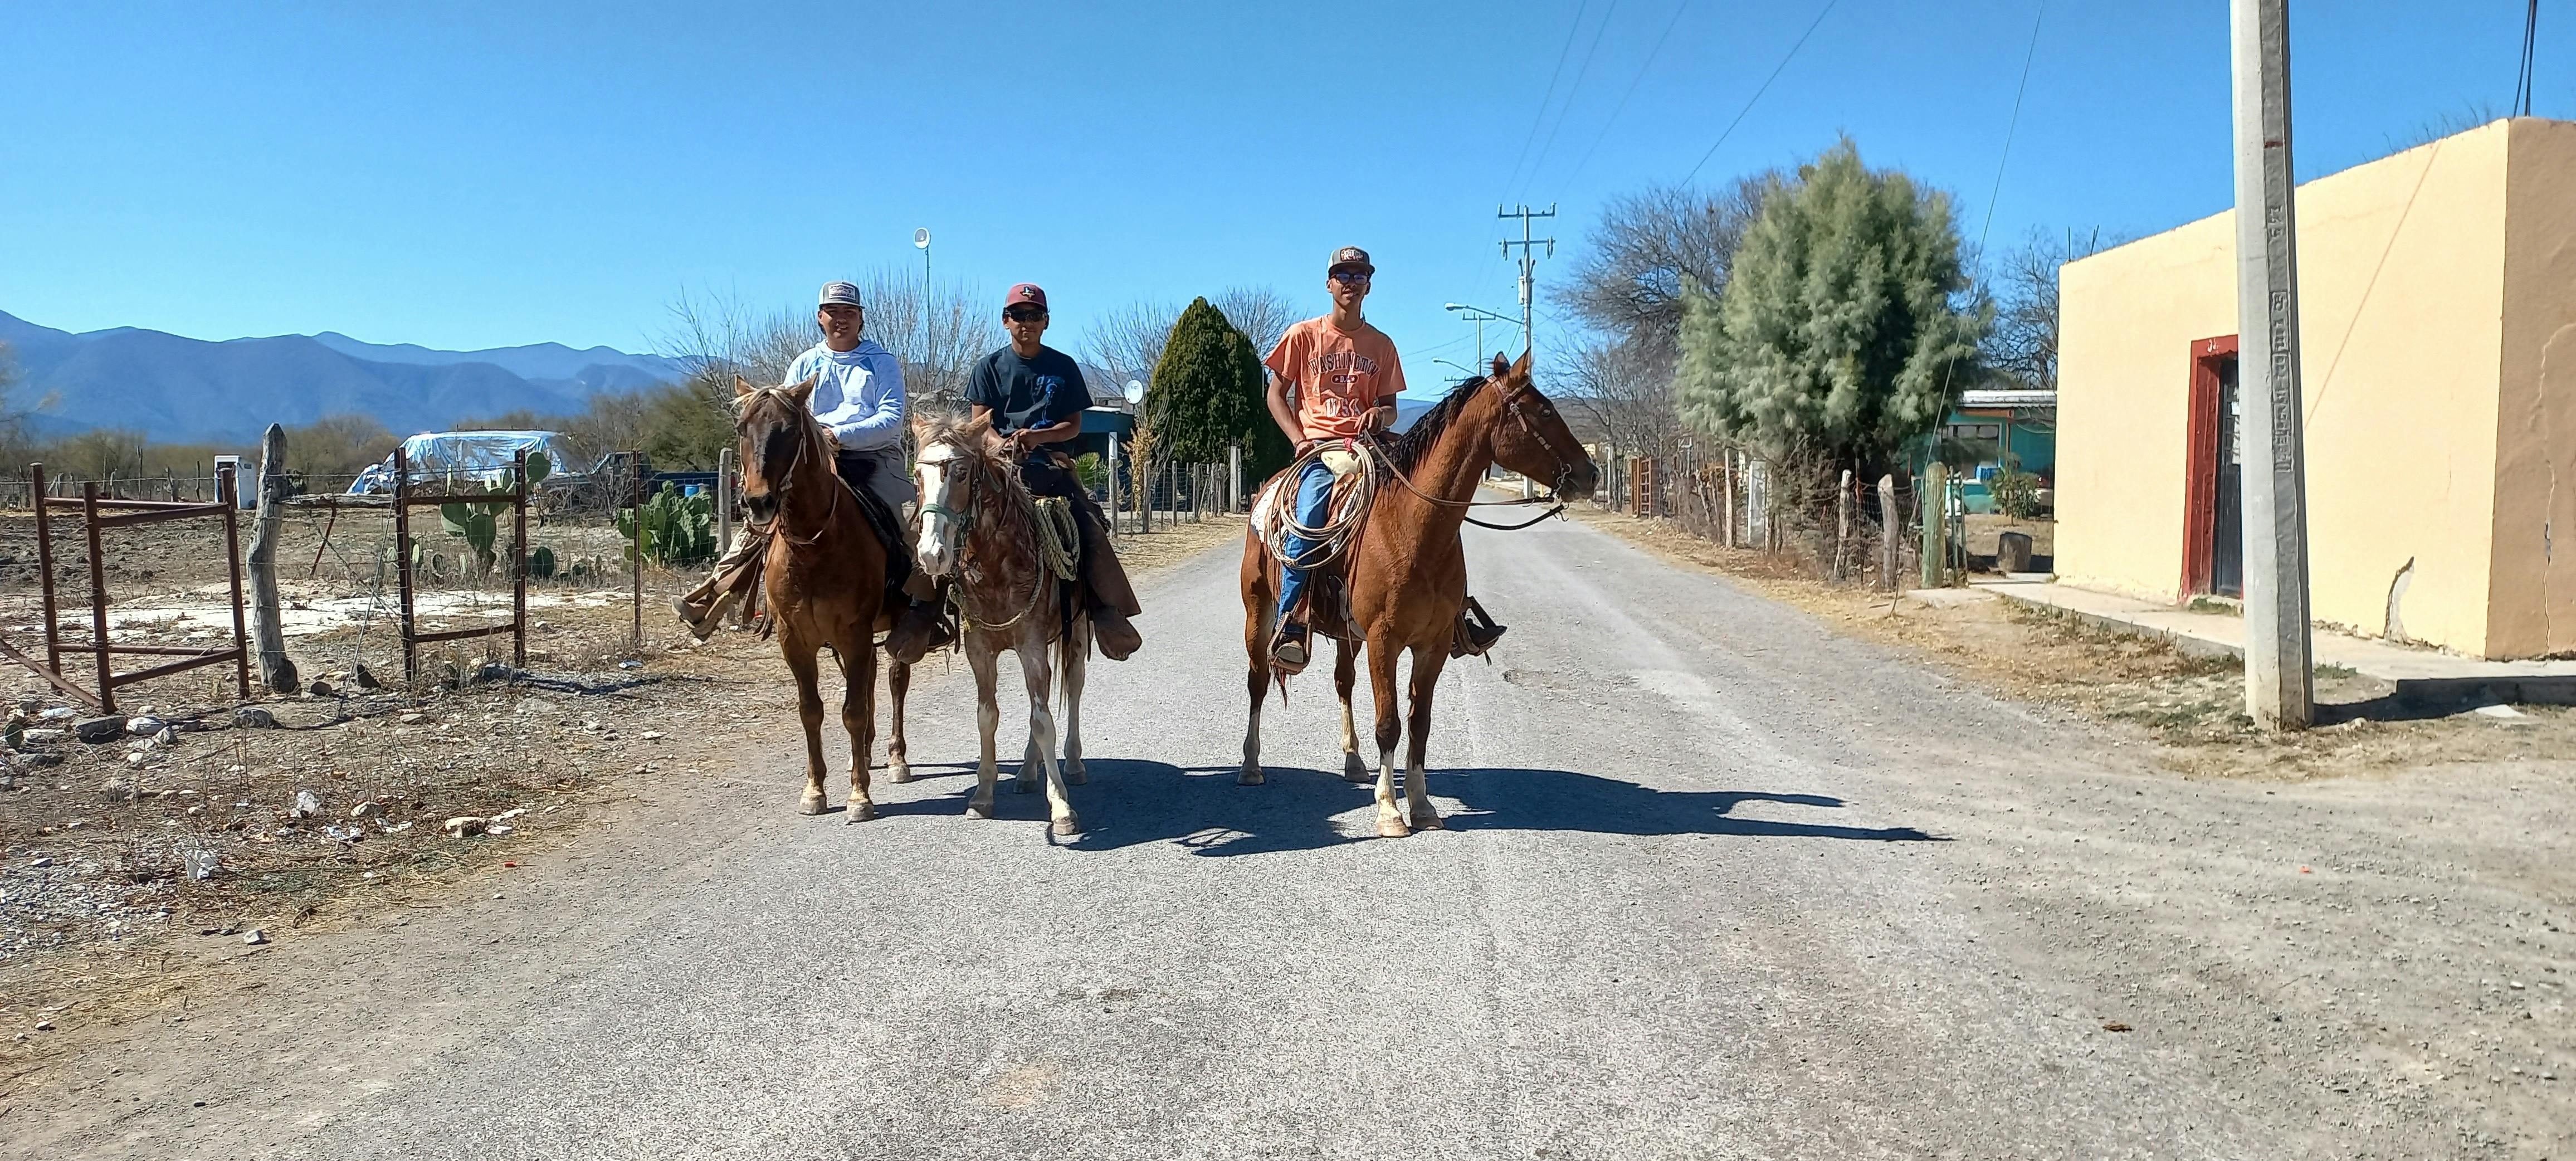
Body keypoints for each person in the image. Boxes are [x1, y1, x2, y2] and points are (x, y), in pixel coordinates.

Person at [1261, 246, 1503, 672]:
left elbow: (1390, 406)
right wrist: (1298, 439)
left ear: (1369, 284)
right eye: (1342, 274)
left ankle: (1455, 611)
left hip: (1371, 449)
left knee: (1427, 509)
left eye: (1358, 275)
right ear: (1329, 283)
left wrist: (1381, 414)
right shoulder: (1302, 336)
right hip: (1319, 450)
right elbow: (1275, 395)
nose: (1350, 282)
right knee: (1311, 512)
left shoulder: (1382, 345)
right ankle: (1291, 619)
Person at [675, 280, 925, 638]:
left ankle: (921, 612)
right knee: (761, 520)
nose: (841, 320)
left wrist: (838, 435)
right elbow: (784, 417)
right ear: (820, 318)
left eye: (849, 313)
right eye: (834, 313)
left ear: (861, 319)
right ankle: (715, 594)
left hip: (873, 458)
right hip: (814, 462)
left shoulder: (880, 363)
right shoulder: (805, 364)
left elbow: (891, 419)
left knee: (911, 521)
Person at [910, 281, 1143, 661]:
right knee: (937, 519)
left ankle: (1105, 610)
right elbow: (978, 424)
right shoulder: (988, 368)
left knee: (1089, 526)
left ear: (1046, 322)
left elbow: (1073, 425)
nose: (1026, 323)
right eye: (1019, 315)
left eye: (1034, 316)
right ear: (1006, 321)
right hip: (995, 471)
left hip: (1051, 467)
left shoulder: (1063, 367)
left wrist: (1038, 438)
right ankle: (924, 612)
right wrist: (1000, 443)